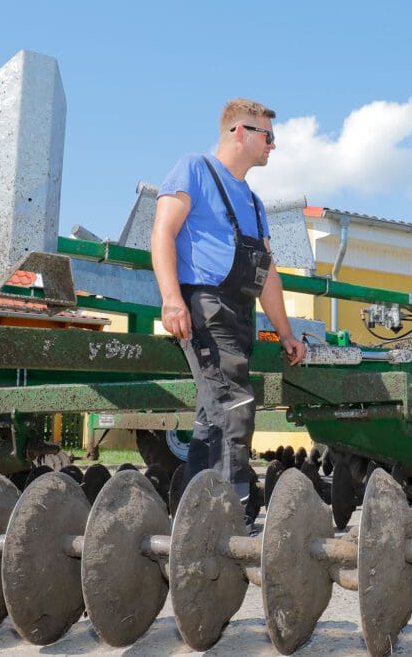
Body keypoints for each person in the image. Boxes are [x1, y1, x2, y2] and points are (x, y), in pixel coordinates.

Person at [151, 98, 306, 527]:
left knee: (214, 410)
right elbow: (163, 231)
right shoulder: (194, 169)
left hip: (239, 312)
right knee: (233, 404)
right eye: (267, 136)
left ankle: (192, 516)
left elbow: (268, 274)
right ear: (239, 132)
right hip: (204, 303)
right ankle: (230, 512)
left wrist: (286, 333)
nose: (273, 145)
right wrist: (171, 298)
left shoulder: (255, 202)